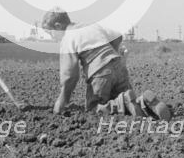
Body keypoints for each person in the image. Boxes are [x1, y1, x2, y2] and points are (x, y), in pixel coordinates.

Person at [41, 8, 172, 120]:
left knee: (94, 109)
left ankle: (121, 103)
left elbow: (69, 75)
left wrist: (62, 100)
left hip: (100, 72)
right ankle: (144, 102)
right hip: (119, 66)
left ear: (58, 26)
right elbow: (117, 36)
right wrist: (112, 56)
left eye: (50, 33)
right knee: (130, 104)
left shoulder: (68, 38)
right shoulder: (90, 25)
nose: (52, 37)